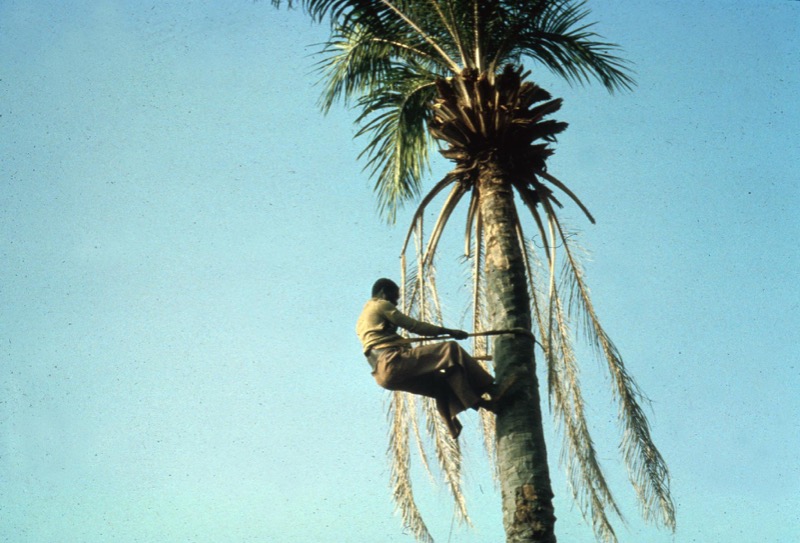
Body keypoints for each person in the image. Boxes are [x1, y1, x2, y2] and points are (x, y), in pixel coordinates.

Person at [356, 278, 496, 438]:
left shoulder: (363, 320)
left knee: (441, 384)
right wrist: (450, 331)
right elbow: (415, 326)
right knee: (450, 349)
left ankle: (485, 406)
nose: (395, 303)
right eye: (394, 298)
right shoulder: (380, 305)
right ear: (382, 292)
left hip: (383, 376)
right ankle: (490, 388)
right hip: (391, 362)